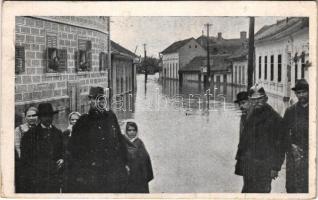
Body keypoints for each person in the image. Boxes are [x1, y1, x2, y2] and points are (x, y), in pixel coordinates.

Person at [67, 86, 129, 193]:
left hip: (111, 172)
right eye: (95, 98)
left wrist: (126, 163)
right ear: (89, 100)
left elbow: (120, 140)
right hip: (92, 175)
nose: (98, 102)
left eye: (101, 99)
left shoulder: (111, 117)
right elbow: (74, 148)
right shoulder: (83, 121)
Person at [239, 84, 284, 193]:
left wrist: (275, 167)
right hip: (249, 163)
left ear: (266, 99)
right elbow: (245, 140)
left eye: (260, 99)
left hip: (265, 165)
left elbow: (280, 145)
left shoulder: (275, 118)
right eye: (253, 100)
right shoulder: (249, 116)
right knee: (247, 191)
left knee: (262, 192)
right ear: (250, 100)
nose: (256, 102)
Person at [20, 103, 64, 193]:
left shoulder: (58, 133)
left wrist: (62, 159)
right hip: (37, 180)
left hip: (54, 178)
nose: (48, 118)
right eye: (44, 116)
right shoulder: (30, 135)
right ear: (40, 117)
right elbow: (25, 159)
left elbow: (63, 151)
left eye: (50, 115)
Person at [282, 79, 309, 193]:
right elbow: (282, 133)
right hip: (294, 154)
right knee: (292, 187)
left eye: (304, 92)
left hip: (310, 155)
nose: (301, 95)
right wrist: (291, 145)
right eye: (298, 93)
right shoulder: (290, 111)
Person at [123, 121, 153, 193]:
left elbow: (146, 159)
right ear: (126, 131)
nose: (132, 132)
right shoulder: (122, 142)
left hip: (139, 175)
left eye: (134, 130)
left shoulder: (139, 143)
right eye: (129, 130)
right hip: (127, 174)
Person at [14, 106, 39, 192]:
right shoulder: (19, 129)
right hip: (25, 163)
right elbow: (17, 147)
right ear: (25, 117)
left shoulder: (40, 128)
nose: (32, 118)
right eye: (29, 116)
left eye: (34, 115)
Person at [62, 111, 81, 192]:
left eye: (77, 120)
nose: (74, 122)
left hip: (80, 165)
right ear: (69, 121)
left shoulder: (84, 133)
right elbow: (63, 147)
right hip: (68, 165)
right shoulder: (66, 133)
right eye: (72, 120)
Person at [233, 91, 249, 177]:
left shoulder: (256, 117)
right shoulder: (243, 116)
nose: (241, 106)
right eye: (239, 104)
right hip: (245, 157)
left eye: (243, 103)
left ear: (250, 101)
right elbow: (242, 138)